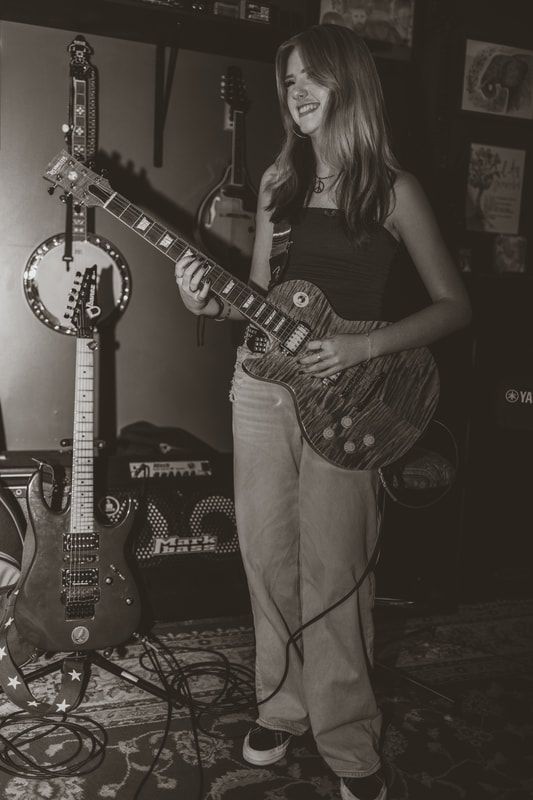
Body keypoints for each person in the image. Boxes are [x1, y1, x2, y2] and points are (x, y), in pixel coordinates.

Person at [175, 23, 471, 800]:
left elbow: (452, 307)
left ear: (349, 82)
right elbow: (255, 298)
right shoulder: (279, 184)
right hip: (261, 386)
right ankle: (281, 705)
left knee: (336, 570)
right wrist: (200, 297)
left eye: (311, 77)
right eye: (288, 80)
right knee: (267, 557)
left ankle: (348, 743)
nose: (295, 91)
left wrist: (360, 352)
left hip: (352, 387)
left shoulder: (392, 188)